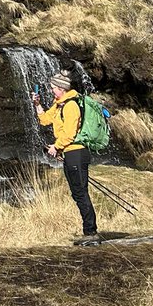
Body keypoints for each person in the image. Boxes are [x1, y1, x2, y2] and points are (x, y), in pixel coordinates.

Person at [31, 70, 99, 244]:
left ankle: (91, 233)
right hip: (70, 154)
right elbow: (45, 120)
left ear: (62, 88)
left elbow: (69, 133)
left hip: (77, 153)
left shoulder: (71, 106)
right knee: (77, 193)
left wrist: (56, 147)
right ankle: (89, 231)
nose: (52, 90)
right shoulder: (59, 104)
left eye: (54, 87)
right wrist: (37, 105)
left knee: (80, 193)